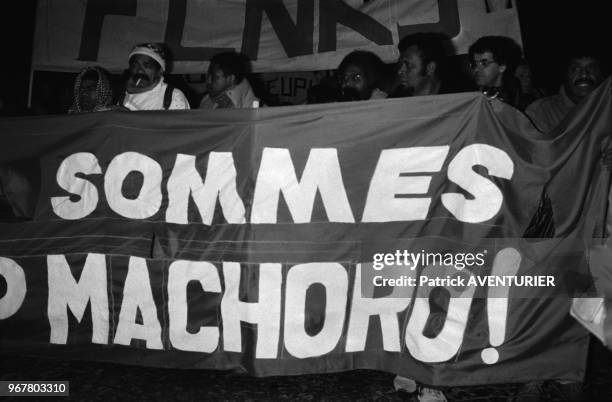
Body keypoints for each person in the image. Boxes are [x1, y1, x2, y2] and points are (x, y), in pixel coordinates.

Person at [526, 51, 606, 133]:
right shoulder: (541, 112)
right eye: (575, 69)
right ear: (565, 75)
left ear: (601, 76)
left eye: (591, 69)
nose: (584, 75)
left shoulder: (607, 107)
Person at [121, 43, 190, 111]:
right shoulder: (120, 93)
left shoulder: (173, 97)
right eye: (134, 66)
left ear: (160, 70)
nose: (139, 71)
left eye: (146, 66)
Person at [393, 32, 455, 97]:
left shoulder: (458, 98)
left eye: (408, 65)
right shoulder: (393, 101)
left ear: (430, 68)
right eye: (400, 64)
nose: (400, 71)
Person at [468, 36, 522, 107]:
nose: (476, 69)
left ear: (502, 67)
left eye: (484, 63)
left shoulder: (514, 100)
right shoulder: (468, 97)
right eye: (474, 64)